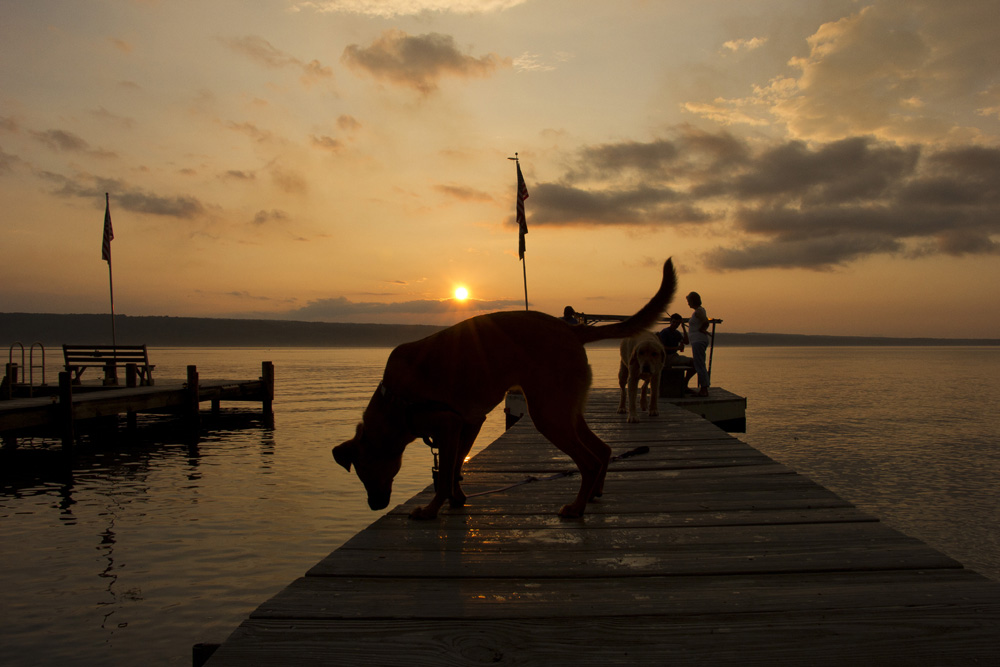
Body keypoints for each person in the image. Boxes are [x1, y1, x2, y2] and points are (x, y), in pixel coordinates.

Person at [656, 313, 695, 387]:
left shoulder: (677, 333)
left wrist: (683, 328)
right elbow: (662, 347)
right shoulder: (665, 332)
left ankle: (684, 383)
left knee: (695, 363)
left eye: (678, 323)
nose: (675, 324)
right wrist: (676, 348)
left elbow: (686, 342)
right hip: (667, 358)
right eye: (674, 322)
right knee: (694, 362)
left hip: (674, 356)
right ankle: (684, 384)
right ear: (670, 321)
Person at [686, 292, 711, 396]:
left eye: (689, 301)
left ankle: (704, 389)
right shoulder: (699, 311)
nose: (688, 304)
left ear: (693, 301)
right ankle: (703, 388)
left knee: (699, 365)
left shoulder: (699, 311)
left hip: (698, 341)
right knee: (700, 364)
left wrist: (701, 329)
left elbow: (706, 322)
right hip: (698, 340)